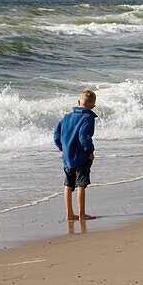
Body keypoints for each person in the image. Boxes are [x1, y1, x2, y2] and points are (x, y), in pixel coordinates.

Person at [53, 89, 98, 221]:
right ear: (93, 106)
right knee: (81, 185)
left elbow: (56, 135)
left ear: (79, 102)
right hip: (81, 157)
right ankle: (82, 214)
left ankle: (69, 213)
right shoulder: (87, 117)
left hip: (67, 157)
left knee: (68, 184)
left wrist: (62, 148)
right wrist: (89, 151)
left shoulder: (67, 117)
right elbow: (84, 136)